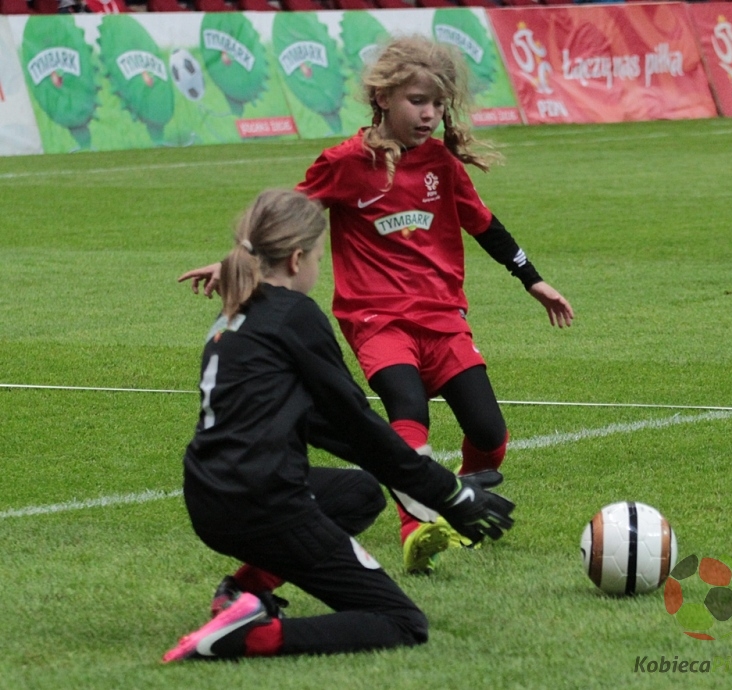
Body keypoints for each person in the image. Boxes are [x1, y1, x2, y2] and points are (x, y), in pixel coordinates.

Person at [179, 36, 572, 576]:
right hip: (376, 319)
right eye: (418, 101)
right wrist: (236, 261)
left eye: (437, 103)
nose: (430, 114)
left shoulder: (440, 163)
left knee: (490, 434)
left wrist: (533, 279)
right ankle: (418, 527)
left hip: (443, 319)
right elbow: (287, 215)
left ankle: (456, 502)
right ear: (383, 98)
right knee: (406, 410)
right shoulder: (345, 162)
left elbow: (484, 224)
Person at [163, 189, 514, 662]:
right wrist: (450, 494)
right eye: (320, 256)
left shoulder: (238, 311)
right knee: (402, 623)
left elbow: (325, 428)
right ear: (296, 258)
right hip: (263, 503)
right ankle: (246, 636)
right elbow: (357, 427)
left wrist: (432, 488)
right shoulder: (295, 315)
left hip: (210, 497)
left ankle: (240, 595)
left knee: (360, 494)